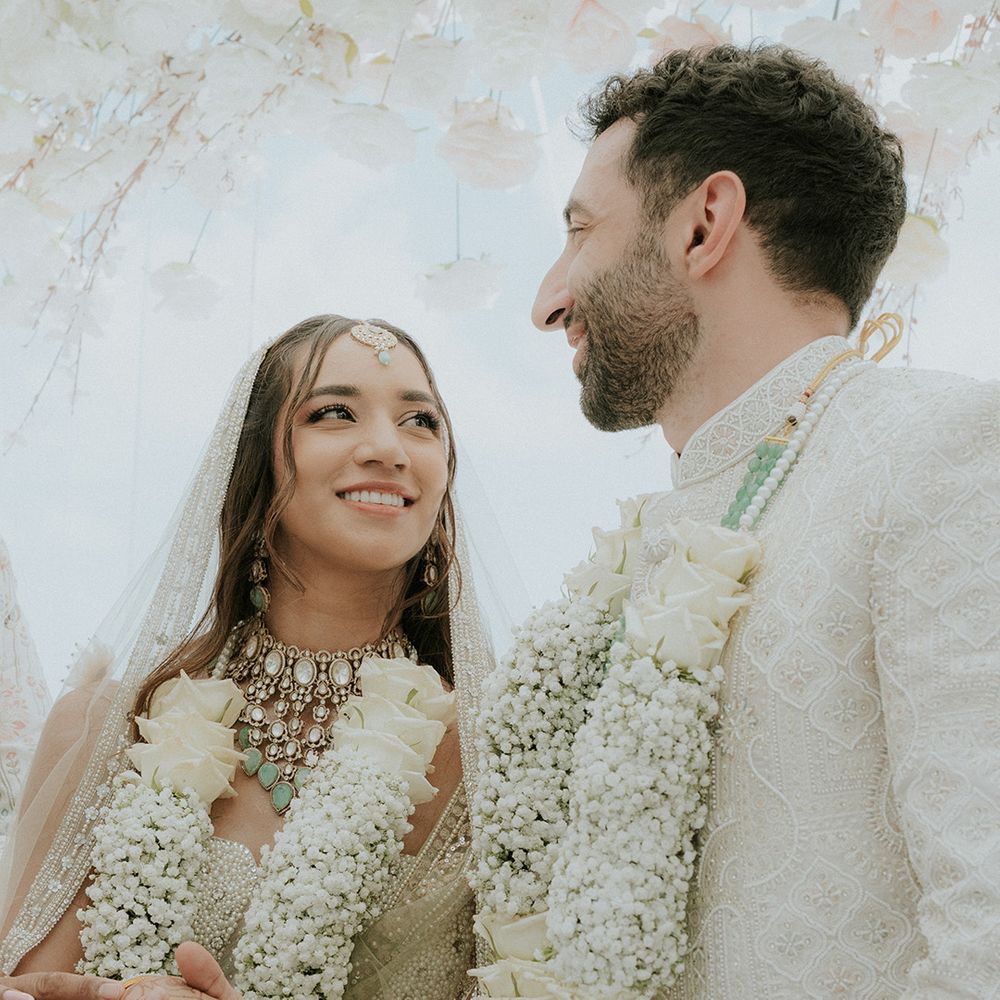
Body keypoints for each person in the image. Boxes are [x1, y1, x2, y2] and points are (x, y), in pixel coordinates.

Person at [516, 44, 998, 997]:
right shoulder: (633, 552)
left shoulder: (939, 453)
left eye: (581, 232)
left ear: (705, 224)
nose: (549, 300)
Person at [0, 314, 496, 1000]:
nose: (389, 447)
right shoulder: (107, 730)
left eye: (421, 421)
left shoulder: (493, 754)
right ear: (256, 457)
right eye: (334, 412)